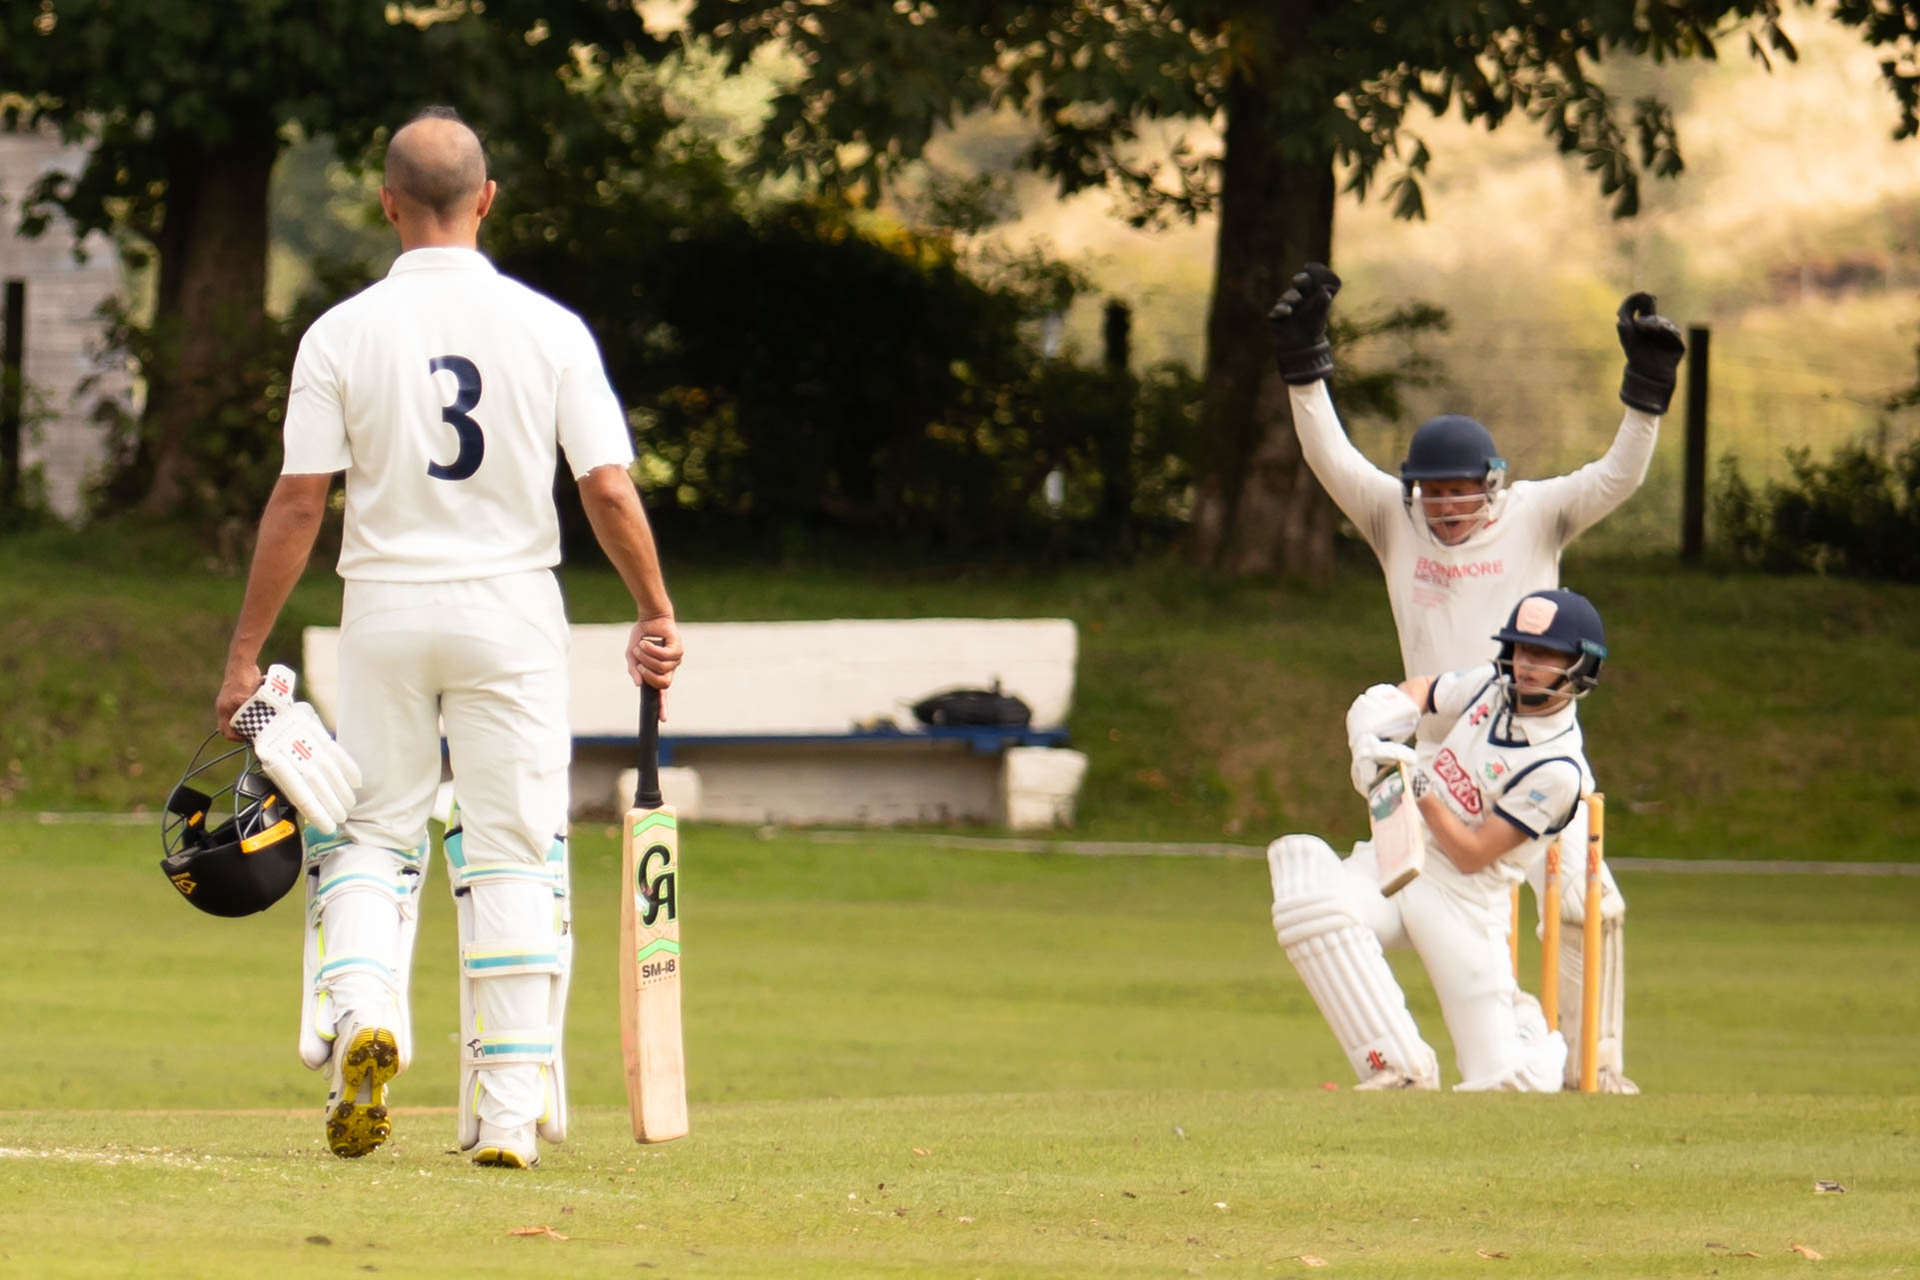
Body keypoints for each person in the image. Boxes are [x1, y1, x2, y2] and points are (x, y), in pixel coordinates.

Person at [213, 106, 683, 1169]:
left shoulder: (341, 331)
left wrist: (244, 656)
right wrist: (654, 608)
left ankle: (365, 1007)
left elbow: (298, 504)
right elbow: (606, 486)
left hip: (384, 606)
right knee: (515, 845)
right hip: (510, 610)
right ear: (486, 199)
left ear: (386, 203)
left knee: (369, 833)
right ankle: (510, 1113)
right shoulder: (552, 328)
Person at [1264, 264, 1684, 1093]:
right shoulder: (1393, 517)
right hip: (1438, 755)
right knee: (1359, 909)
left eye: (1464, 494)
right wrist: (1303, 362)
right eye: (1434, 495)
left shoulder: (1537, 511)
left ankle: (1594, 1066)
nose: (1449, 509)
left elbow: (1617, 476)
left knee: (1585, 906)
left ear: (1493, 485)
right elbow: (1330, 456)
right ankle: (1459, 1046)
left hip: (1534, 747)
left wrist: (1646, 391)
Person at [1268, 588, 1609, 1091]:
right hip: (1400, 854)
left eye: (1540, 654)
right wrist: (1378, 722)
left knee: (1504, 1084)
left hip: (1462, 899)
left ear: (1580, 665)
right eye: (1517, 649)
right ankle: (1400, 1070)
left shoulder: (1558, 770)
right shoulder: (1492, 687)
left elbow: (1471, 855)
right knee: (1310, 903)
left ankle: (1526, 1034)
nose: (1523, 664)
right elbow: (1424, 690)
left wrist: (1415, 785)